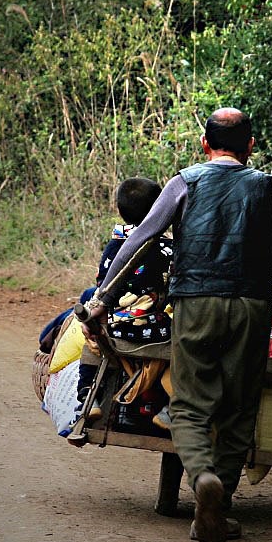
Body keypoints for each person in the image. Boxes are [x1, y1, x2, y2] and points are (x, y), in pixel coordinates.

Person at [83, 108, 272, 542]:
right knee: (239, 408)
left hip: (195, 304)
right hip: (252, 306)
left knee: (188, 406)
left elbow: (141, 238)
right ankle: (218, 507)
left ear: (205, 145)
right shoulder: (264, 188)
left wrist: (103, 300)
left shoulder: (185, 181)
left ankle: (202, 477)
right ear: (250, 147)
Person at [74, 177, 173, 426]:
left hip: (114, 326)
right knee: (188, 339)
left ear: (119, 210)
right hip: (154, 330)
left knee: (91, 338)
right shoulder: (167, 247)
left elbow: (101, 283)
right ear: (161, 209)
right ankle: (173, 406)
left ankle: (87, 395)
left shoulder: (113, 245)